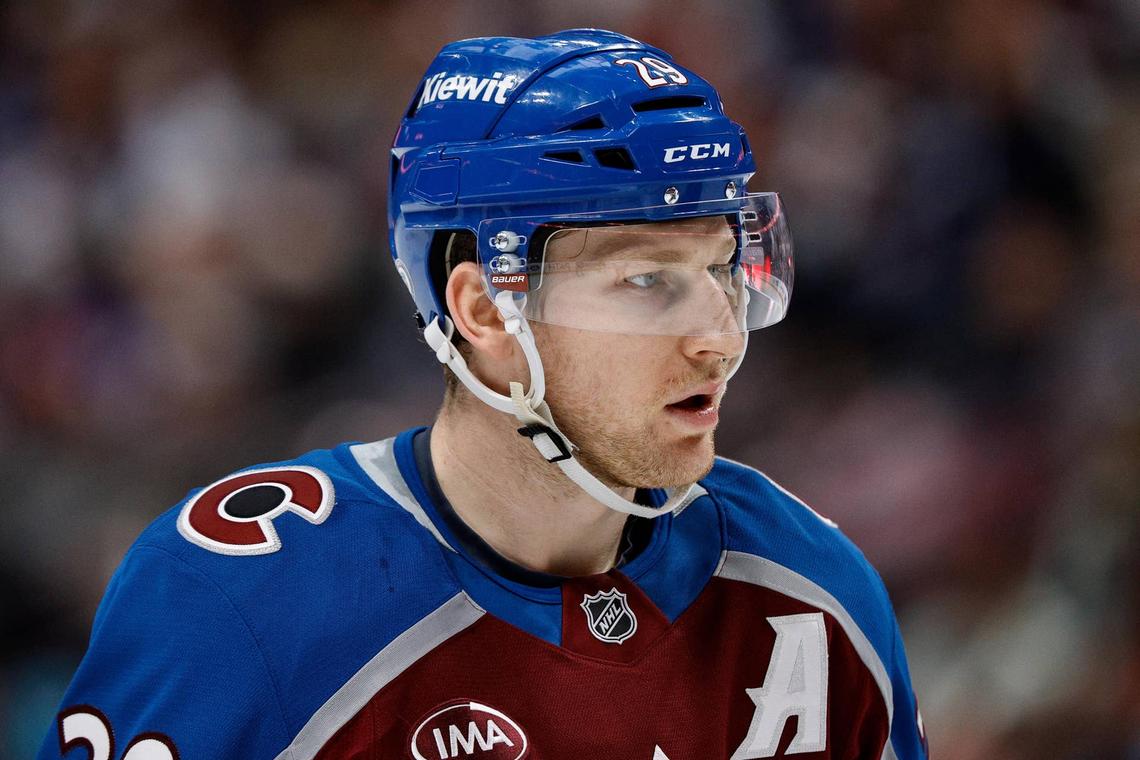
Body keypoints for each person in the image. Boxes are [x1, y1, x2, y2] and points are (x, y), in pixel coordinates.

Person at [40, 29, 928, 759]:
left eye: (722, 271)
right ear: (483, 308)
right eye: (649, 281)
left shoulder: (809, 590)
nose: (720, 336)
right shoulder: (242, 610)